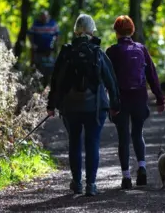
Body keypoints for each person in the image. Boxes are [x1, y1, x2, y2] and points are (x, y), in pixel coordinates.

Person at [46, 14, 120, 196]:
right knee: (92, 143)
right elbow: (111, 80)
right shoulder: (97, 52)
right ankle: (91, 185)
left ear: (76, 30)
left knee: (74, 143)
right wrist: (115, 104)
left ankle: (77, 183)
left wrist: (51, 104)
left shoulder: (66, 52)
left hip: (70, 108)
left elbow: (56, 80)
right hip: (95, 108)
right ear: (92, 30)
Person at [106, 15, 165, 189]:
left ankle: (126, 177)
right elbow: (152, 76)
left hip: (120, 100)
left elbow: (107, 78)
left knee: (123, 138)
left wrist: (107, 102)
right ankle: (142, 168)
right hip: (139, 98)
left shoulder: (112, 51)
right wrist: (160, 98)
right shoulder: (141, 49)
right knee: (138, 134)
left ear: (116, 31)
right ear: (132, 30)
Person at [27, 10, 61, 87]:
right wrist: (32, 44)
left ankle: (47, 85)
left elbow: (58, 35)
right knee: (37, 67)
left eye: (45, 18)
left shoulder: (53, 23)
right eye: (42, 18)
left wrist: (56, 45)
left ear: (48, 17)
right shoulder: (36, 24)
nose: (44, 19)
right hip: (38, 51)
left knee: (49, 68)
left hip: (50, 51)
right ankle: (36, 84)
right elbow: (29, 34)